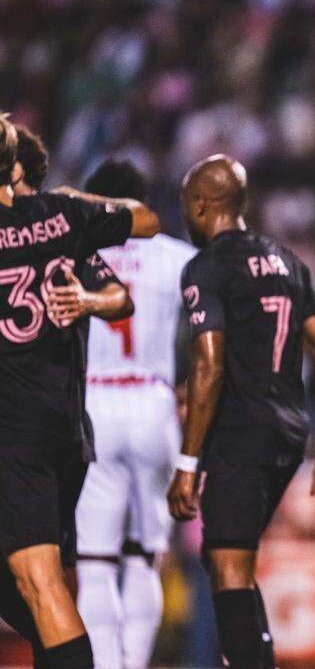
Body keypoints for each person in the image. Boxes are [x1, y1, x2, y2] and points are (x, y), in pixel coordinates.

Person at [166, 154, 315, 669]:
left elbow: (210, 366)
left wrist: (187, 463)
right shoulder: (288, 261)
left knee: (227, 567)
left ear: (200, 204)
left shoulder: (206, 267)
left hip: (240, 435)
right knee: (228, 560)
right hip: (288, 433)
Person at [0, 114, 159, 669]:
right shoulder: (63, 218)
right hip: (67, 430)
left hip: (15, 435)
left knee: (40, 583)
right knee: (41, 584)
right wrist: (76, 198)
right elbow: (146, 219)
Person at [73, 159, 197, 669]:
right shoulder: (176, 257)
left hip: (93, 403)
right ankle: (135, 660)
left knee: (95, 560)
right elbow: (213, 325)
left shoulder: (75, 251)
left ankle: (106, 664)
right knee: (144, 555)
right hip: (154, 402)